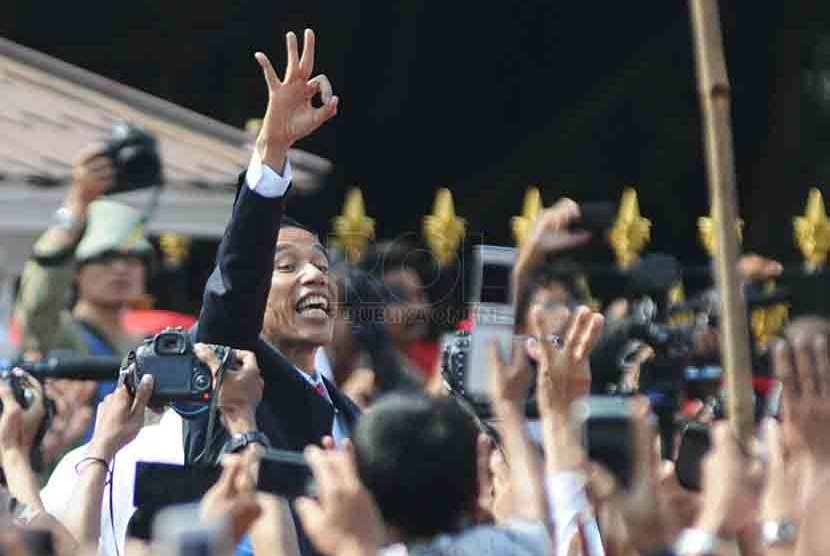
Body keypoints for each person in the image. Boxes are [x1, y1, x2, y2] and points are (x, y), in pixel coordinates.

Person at [14, 148, 153, 452]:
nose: (120, 269)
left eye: (132, 259)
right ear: (76, 271)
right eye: (105, 257)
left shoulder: (151, 347)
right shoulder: (58, 334)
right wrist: (77, 203)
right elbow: (39, 300)